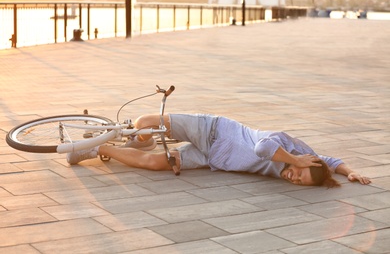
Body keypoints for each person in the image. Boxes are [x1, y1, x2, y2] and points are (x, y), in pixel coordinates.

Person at [67, 113, 371, 187]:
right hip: (211, 129)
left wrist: (350, 172)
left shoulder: (311, 162)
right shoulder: (286, 144)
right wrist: (293, 159)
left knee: (155, 162)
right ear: (307, 160)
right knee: (147, 122)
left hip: (211, 158)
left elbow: (331, 161)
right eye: (299, 174)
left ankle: (99, 148)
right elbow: (264, 148)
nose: (292, 177)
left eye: (297, 183)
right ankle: (116, 132)